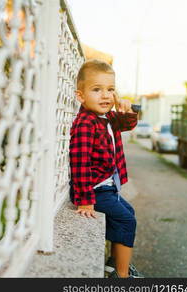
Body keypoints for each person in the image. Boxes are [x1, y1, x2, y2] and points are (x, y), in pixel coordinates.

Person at [69, 59, 143, 278]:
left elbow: (127, 124)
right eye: (97, 89)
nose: (105, 95)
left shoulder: (107, 117)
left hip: (108, 187)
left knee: (128, 212)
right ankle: (122, 276)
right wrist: (85, 199)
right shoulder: (85, 123)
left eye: (110, 90)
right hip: (95, 190)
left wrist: (126, 109)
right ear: (81, 96)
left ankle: (113, 262)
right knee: (126, 219)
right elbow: (80, 163)